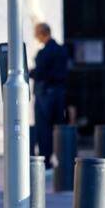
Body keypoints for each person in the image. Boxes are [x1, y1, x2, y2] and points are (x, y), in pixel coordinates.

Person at [29, 22, 68, 169]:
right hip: (59, 94)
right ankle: (62, 159)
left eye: (36, 33)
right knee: (58, 128)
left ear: (42, 33)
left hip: (45, 95)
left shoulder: (44, 52)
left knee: (43, 129)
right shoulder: (61, 50)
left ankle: (46, 161)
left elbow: (40, 73)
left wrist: (30, 72)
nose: (35, 36)